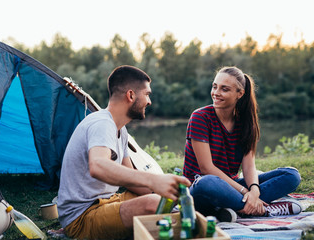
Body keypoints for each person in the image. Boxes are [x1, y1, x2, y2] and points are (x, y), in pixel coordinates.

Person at [58, 65, 191, 239]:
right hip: (81, 217)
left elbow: (131, 180)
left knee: (156, 199)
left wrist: (163, 192)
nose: (149, 102)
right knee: (152, 204)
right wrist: (154, 180)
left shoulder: (119, 129)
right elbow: (98, 166)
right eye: (147, 94)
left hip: (108, 201)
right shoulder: (102, 123)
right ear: (130, 95)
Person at [183, 66, 302, 222]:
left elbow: (249, 166)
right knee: (207, 182)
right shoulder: (200, 117)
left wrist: (254, 190)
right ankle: (262, 209)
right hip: (200, 189)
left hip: (231, 187)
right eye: (214, 86)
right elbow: (206, 169)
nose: (216, 93)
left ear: (240, 94)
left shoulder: (246, 123)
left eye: (224, 89)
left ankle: (234, 208)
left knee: (291, 175)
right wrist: (244, 190)